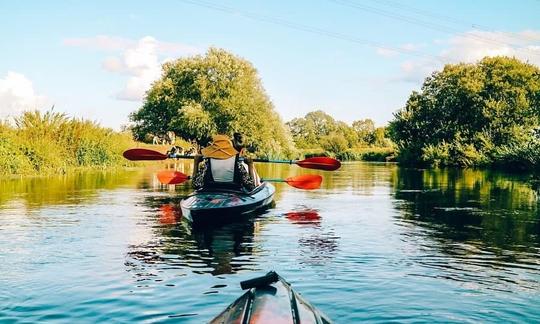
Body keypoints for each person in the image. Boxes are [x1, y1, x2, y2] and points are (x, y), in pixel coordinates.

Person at [192, 135, 256, 191]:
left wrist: (196, 163)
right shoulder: (237, 163)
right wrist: (250, 164)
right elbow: (251, 186)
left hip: (211, 193)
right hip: (233, 194)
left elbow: (196, 184)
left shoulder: (207, 162)